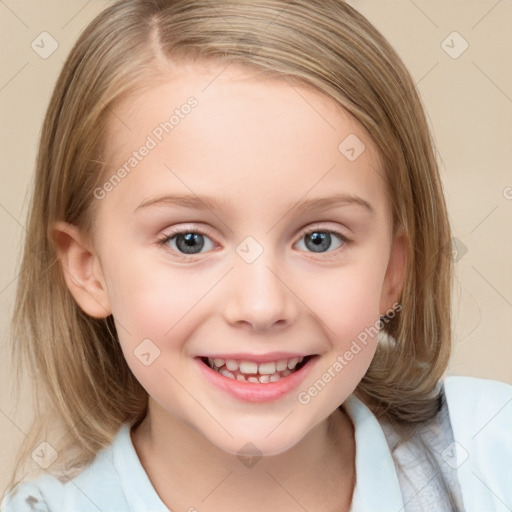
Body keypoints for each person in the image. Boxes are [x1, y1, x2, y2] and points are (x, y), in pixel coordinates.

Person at [2, 0, 511, 511]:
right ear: (88, 269)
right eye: (189, 241)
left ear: (393, 271)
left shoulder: (491, 459)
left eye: (320, 239)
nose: (262, 305)